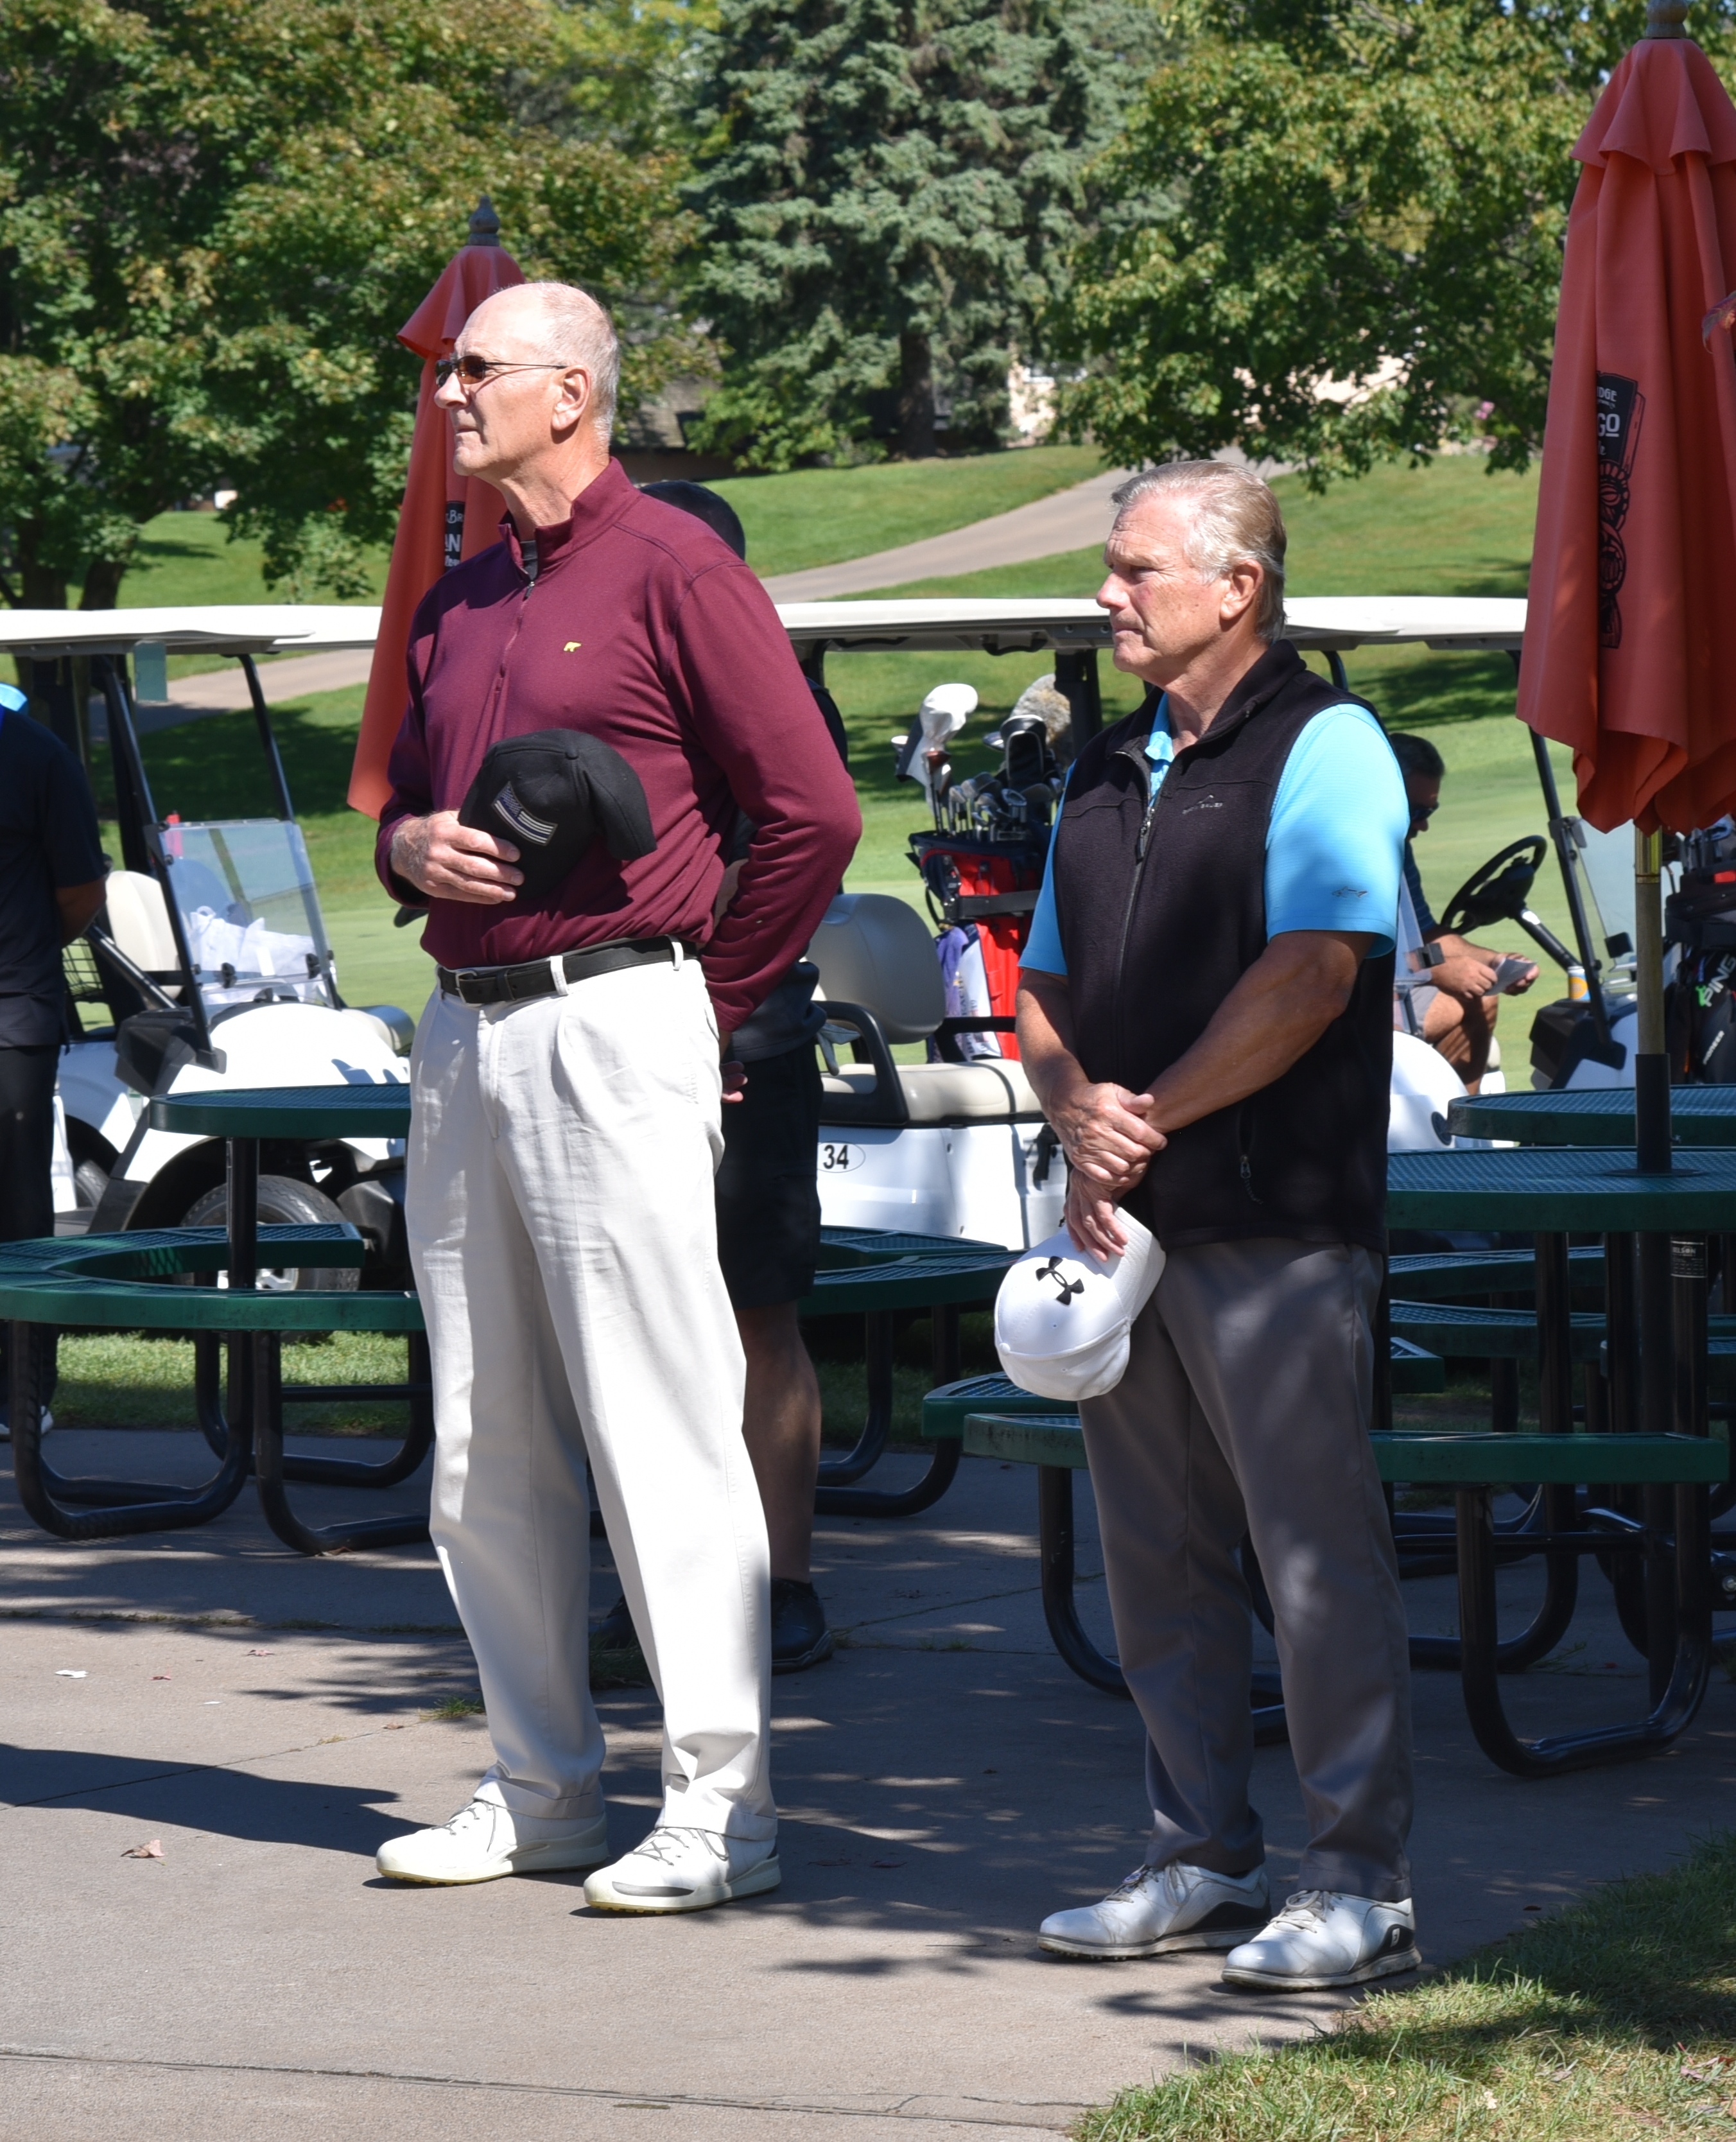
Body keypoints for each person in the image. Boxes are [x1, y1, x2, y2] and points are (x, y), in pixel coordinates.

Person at [369, 282, 860, 1911]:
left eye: (476, 371)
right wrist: (406, 849)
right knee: (476, 1438)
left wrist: (704, 999)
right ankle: (543, 1788)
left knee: (660, 1423)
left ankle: (722, 1810)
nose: (448, 394)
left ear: (570, 392)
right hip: (464, 1031)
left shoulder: (677, 567)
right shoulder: (458, 598)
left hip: (620, 1015)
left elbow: (811, 812)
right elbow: (408, 808)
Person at [1018, 462, 1421, 1992]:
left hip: (1271, 1220)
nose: (1106, 593)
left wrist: (1143, 1117)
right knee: (1156, 1557)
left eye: (1135, 568)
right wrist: (1078, 1110)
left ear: (1236, 585)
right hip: (1128, 1227)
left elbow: (1314, 970)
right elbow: (1040, 984)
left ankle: (1359, 1881)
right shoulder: (1105, 763)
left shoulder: (1326, 742)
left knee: (1313, 1559)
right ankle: (1198, 1851)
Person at [594, 478, 847, 1673]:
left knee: (756, 1316)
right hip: (620, 1038)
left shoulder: (775, 691)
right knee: (630, 1326)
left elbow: (792, 855)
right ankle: (656, 1581)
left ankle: (780, 1581)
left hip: (749, 1037)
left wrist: (713, 1003)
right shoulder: (621, 692)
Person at [0, 679, 105, 1438]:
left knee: (18, 1211)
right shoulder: (39, 751)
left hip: (11, 1011)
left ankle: (21, 1390)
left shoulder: (34, 754)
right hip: (19, 1000)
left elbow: (80, 889)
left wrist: (29, 946)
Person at [1389, 731, 1536, 1089]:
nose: (1423, 825)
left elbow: (1423, 936)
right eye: (1415, 812)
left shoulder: (1399, 849)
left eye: (1430, 812)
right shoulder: (1345, 855)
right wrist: (1438, 970)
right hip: (1349, 1001)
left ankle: (1457, 1120)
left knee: (1481, 1000)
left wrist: (1493, 962)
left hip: (1390, 984)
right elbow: (1361, 960)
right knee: (1467, 1004)